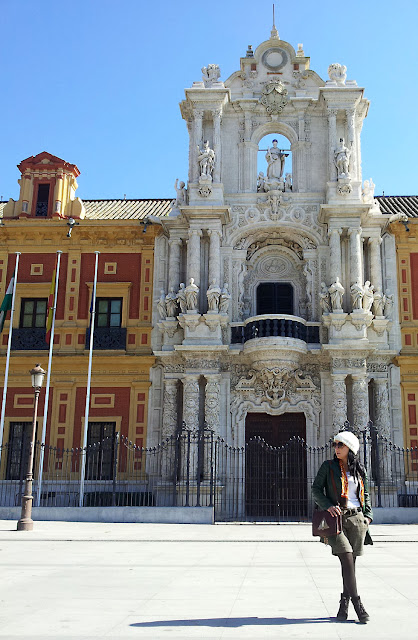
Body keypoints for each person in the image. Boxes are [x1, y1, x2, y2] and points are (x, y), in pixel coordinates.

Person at [312, 431, 373, 624]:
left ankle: (343, 605)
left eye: (340, 445)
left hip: (357, 520)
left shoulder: (359, 470)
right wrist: (328, 505)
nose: (336, 448)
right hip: (335, 519)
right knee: (346, 558)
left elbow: (366, 493)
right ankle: (358, 604)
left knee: (350, 565)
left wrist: (368, 516)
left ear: (350, 449)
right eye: (335, 445)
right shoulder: (328, 467)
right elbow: (315, 489)